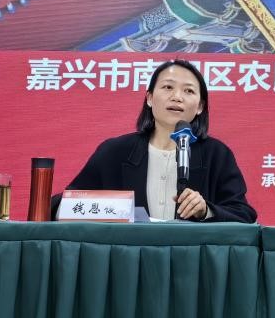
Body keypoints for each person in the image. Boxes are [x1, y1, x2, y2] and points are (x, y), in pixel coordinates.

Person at [64, 59, 257, 223]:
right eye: (168, 87)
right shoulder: (114, 151)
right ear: (149, 98)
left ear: (200, 106)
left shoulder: (217, 154)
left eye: (189, 91)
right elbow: (66, 205)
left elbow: (243, 214)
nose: (177, 97)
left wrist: (206, 210)